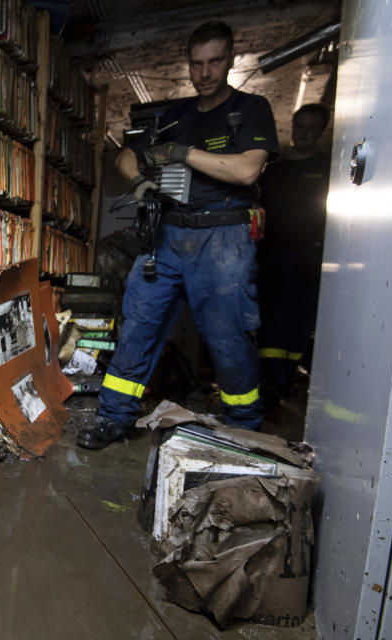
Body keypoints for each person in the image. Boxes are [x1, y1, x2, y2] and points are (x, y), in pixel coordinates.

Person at [77, 21, 279, 450]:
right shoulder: (174, 115)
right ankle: (113, 417)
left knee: (228, 338)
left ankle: (243, 428)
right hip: (167, 238)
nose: (204, 73)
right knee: (138, 326)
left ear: (228, 60)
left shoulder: (252, 108)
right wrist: (139, 183)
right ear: (188, 64)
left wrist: (183, 153)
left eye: (214, 62)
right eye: (197, 64)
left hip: (224, 236)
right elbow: (127, 156)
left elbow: (246, 170)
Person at [256, 104, 331, 406]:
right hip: (269, 256)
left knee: (297, 321)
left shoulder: (327, 169)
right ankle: (268, 382)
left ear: (321, 131)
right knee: (268, 320)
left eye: (313, 127)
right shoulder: (274, 169)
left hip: (306, 258)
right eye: (301, 125)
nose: (305, 133)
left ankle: (286, 379)